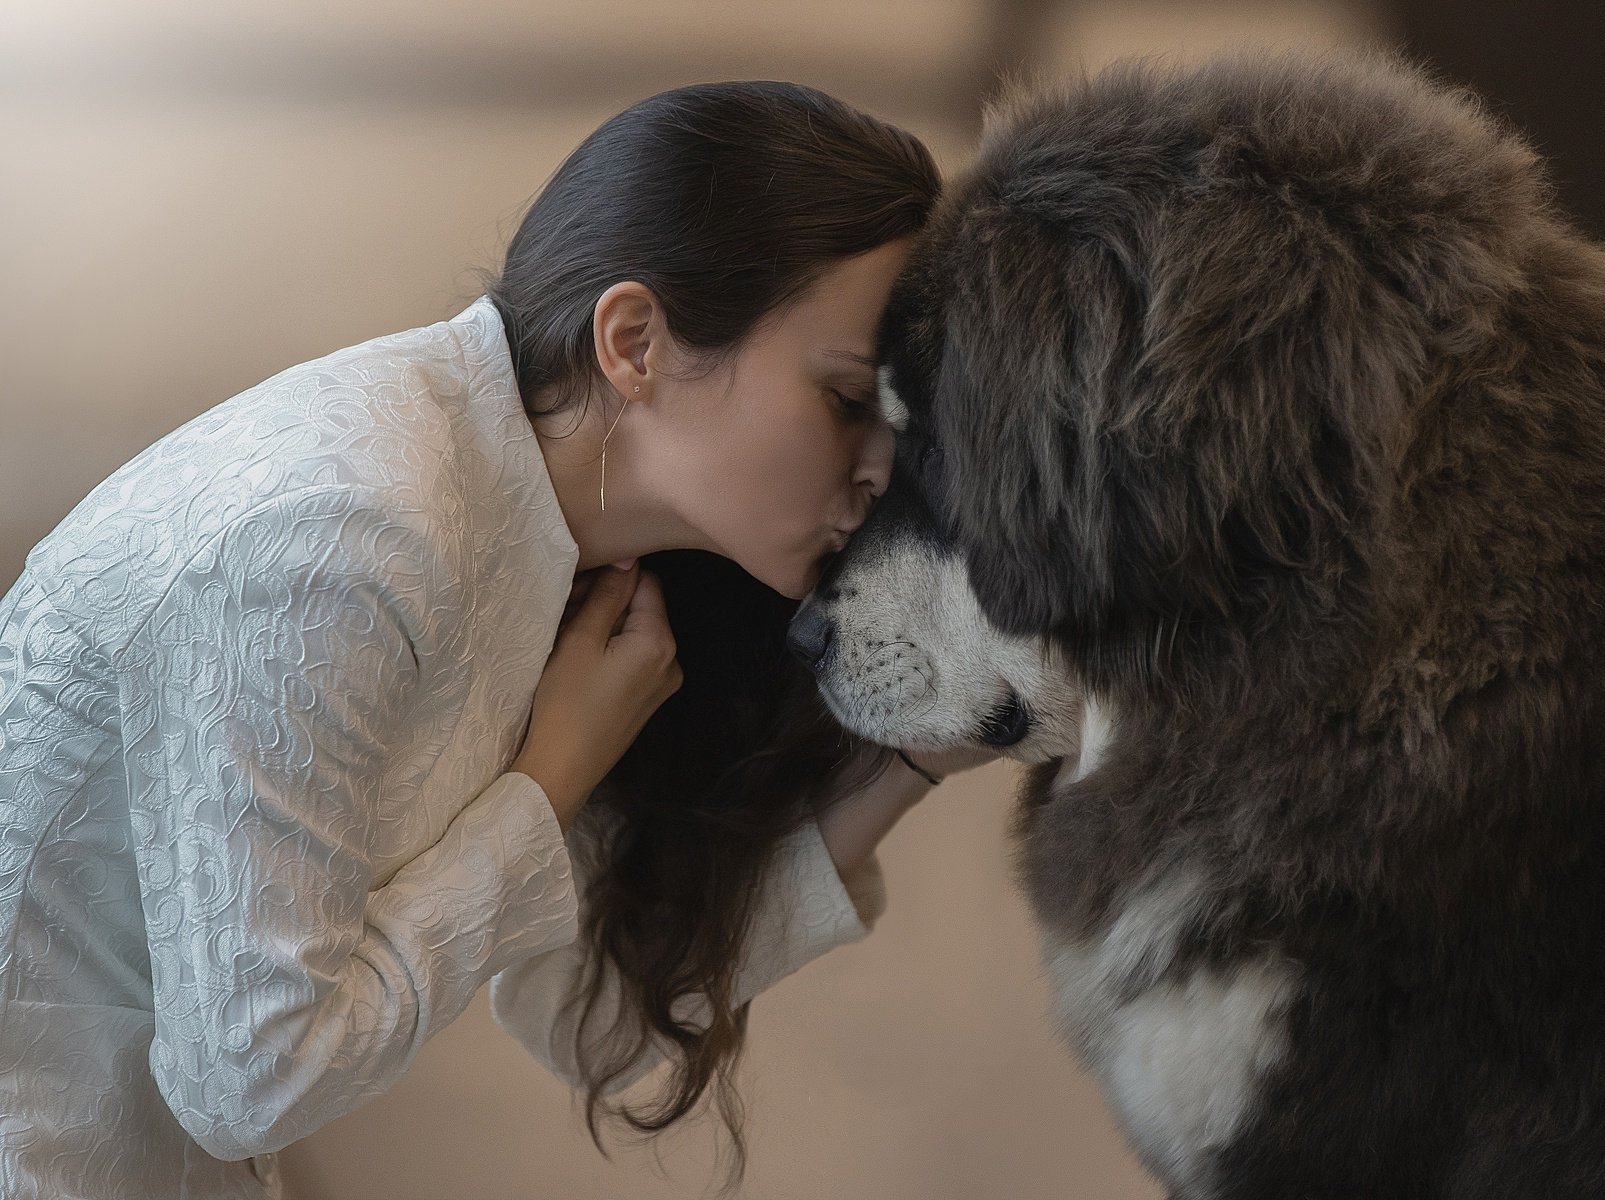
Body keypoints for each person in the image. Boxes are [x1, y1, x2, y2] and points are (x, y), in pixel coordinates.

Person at [0, 80, 988, 1200]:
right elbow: (251, 1080)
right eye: (848, 399)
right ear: (633, 341)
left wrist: (913, 760)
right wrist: (548, 780)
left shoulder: (574, 567)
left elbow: (588, 1016)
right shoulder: (344, 534)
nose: (880, 467)